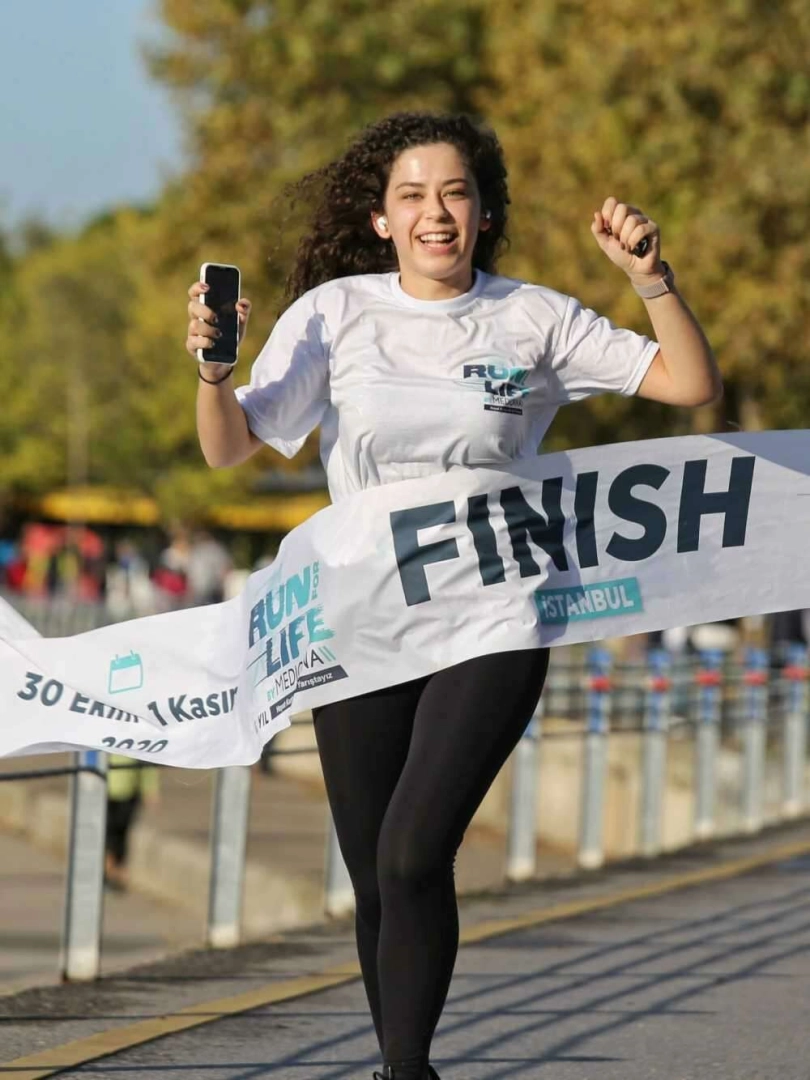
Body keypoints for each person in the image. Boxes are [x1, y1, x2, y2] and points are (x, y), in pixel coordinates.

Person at [185, 112, 721, 1080]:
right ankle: (409, 1066)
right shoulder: (335, 314)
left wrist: (652, 280)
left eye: (455, 193)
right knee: (375, 880)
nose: (436, 212)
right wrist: (214, 372)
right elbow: (228, 448)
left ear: (483, 212)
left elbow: (690, 383)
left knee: (411, 852)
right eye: (412, 196)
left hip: (493, 615)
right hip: (359, 622)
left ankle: (403, 1076)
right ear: (382, 219)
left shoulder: (533, 318)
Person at [104, 753, 160, 891]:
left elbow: (147, 763)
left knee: (122, 832)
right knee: (108, 832)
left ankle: (117, 870)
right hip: (106, 792)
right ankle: (109, 870)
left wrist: (150, 789)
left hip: (129, 793)